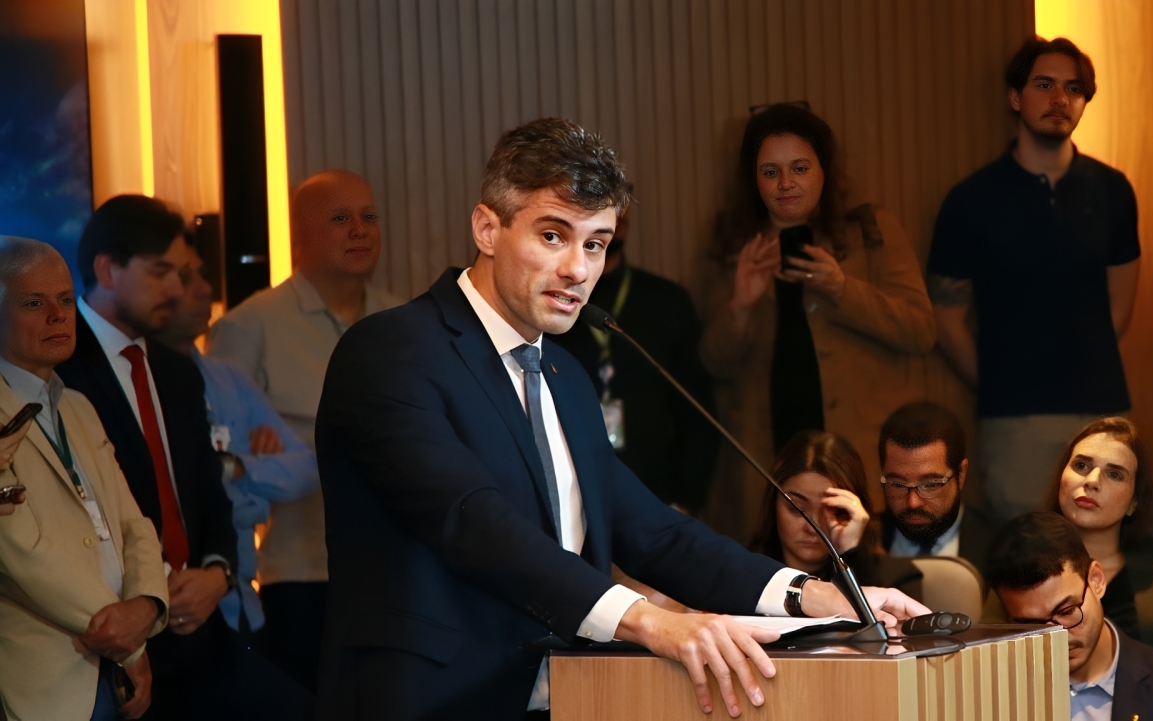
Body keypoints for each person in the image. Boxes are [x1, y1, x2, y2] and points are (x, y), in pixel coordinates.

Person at [314, 117, 928, 720]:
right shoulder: (391, 350)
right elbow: (470, 521)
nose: (578, 270)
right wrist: (649, 620)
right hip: (432, 699)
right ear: (487, 229)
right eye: (552, 235)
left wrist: (815, 595)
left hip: (567, 697)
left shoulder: (564, 375)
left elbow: (655, 532)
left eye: (596, 243)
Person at [56, 195, 286, 721]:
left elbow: (209, 492)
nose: (178, 290)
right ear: (107, 269)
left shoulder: (176, 370)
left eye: (181, 275)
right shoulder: (61, 365)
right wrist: (150, 594)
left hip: (199, 628)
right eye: (161, 272)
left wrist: (218, 571)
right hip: (108, 639)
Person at [927, 36, 1140, 522]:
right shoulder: (972, 199)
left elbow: (1120, 306)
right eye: (1044, 85)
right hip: (1014, 418)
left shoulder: (1113, 190)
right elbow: (947, 317)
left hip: (1102, 409)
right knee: (1027, 546)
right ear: (1015, 97)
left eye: (1073, 88)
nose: (1059, 98)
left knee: (1104, 543)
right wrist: (1001, 381)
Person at [700, 103, 935, 540]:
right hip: (769, 456)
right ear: (754, 179)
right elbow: (714, 362)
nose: (786, 183)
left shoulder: (871, 232)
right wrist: (741, 306)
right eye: (770, 172)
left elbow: (920, 331)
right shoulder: (735, 245)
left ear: (824, 169)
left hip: (856, 451)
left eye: (800, 168)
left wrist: (842, 288)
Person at [207, 169, 400, 691]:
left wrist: (287, 448)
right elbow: (221, 456)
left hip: (396, 568)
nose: (359, 230)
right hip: (298, 574)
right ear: (300, 234)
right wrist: (271, 461)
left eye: (369, 216)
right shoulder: (250, 326)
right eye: (340, 218)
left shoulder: (402, 320)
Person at [0, 237, 168, 721]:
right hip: (47, 682)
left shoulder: (78, 406)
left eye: (65, 300)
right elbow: (22, 557)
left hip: (114, 664)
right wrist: (130, 639)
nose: (59, 315)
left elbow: (134, 523)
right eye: (35, 303)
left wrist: (148, 604)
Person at [154, 240, 320, 647]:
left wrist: (235, 467)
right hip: (168, 613)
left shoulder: (228, 378)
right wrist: (257, 496)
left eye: (201, 275)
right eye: (185, 277)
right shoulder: (139, 386)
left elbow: (307, 468)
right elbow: (175, 502)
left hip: (241, 604)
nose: (204, 289)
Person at [988, 512, 1153, 720]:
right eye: (1031, 625)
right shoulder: (988, 694)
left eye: (1066, 611)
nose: (1055, 638)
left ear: (1096, 581)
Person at [555, 212, 720, 512]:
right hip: (571, 495)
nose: (616, 221)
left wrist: (687, 500)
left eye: (622, 212)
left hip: (657, 496)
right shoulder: (553, 303)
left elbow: (698, 412)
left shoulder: (667, 302)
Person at [1047, 417, 1153, 648]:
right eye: (1081, 466)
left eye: (1114, 474)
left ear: (1133, 502)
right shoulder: (1019, 558)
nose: (1092, 481)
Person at [751, 431, 922, 599]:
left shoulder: (897, 582)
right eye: (797, 509)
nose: (812, 527)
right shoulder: (744, 577)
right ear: (774, 504)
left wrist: (851, 554)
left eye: (831, 510)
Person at [877, 401, 995, 575]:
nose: (913, 503)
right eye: (898, 485)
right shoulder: (861, 543)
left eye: (930, 485)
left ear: (961, 474)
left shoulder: (998, 547)